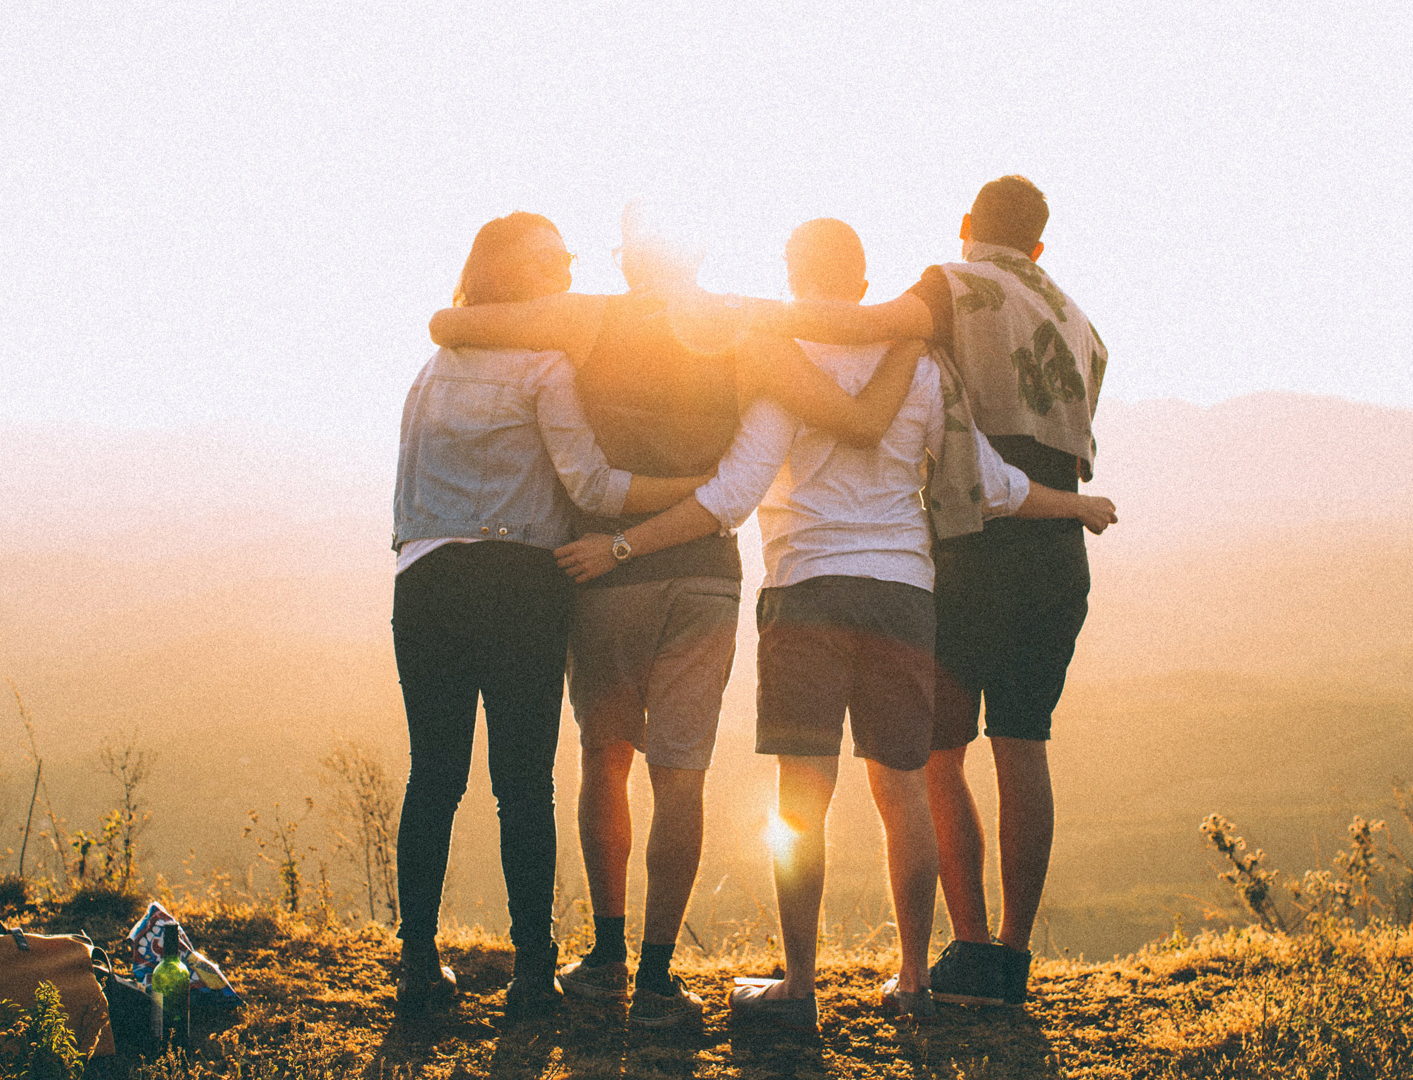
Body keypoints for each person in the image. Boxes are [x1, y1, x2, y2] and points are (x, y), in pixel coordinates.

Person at [555, 219, 1115, 1030]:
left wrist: (623, 544)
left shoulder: (783, 362)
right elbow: (990, 483)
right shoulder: (922, 366)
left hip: (806, 591)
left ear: (792, 276)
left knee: (801, 800)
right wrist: (1077, 505)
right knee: (903, 793)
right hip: (903, 597)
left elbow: (733, 495)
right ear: (862, 283)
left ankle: (800, 986)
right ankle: (916, 980)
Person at [428, 203, 921, 1027]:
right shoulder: (744, 332)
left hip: (604, 570)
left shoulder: (585, 321)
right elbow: (857, 419)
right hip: (704, 577)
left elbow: (452, 324)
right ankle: (658, 978)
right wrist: (913, 336)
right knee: (680, 775)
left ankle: (607, 954)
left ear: (628, 262)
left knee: (605, 758)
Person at [753, 177, 1113, 1007]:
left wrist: (743, 317)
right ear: (1041, 245)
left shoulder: (952, 286)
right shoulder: (1082, 322)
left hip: (972, 542)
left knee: (935, 757)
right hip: (1054, 545)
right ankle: (1009, 963)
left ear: (965, 227)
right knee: (1024, 746)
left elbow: (865, 326)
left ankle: (967, 948)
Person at [389, 212, 711, 1021]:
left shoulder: (431, 370)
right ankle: (534, 970)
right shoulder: (544, 366)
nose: (567, 270)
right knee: (522, 785)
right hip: (519, 585)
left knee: (433, 777)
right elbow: (594, 490)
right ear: (513, 275)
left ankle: (418, 966)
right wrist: (696, 492)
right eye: (552, 260)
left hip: (424, 581)